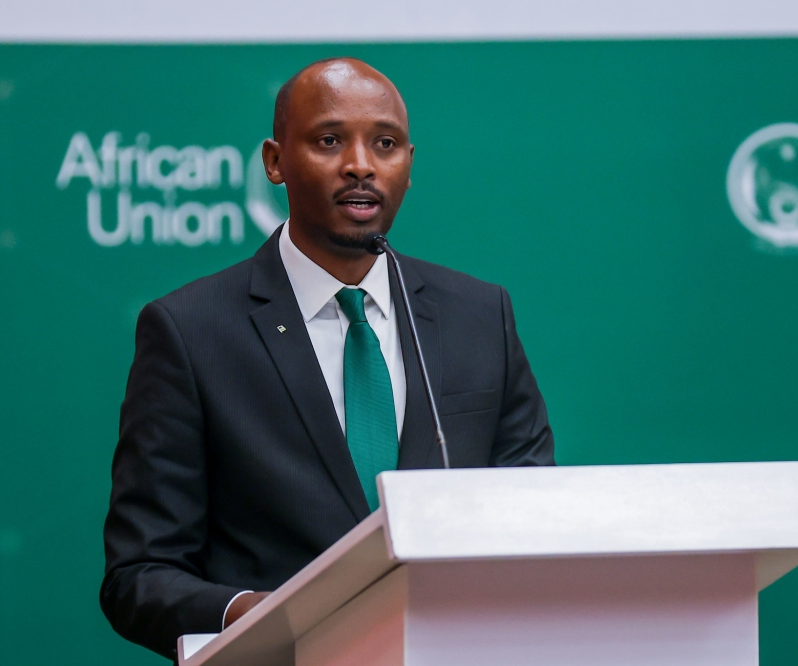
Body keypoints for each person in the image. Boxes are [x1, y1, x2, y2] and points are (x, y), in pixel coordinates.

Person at [101, 57, 554, 660]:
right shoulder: (189, 331)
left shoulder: (480, 317)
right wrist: (257, 613)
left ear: (409, 166)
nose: (360, 165)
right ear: (274, 161)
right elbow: (141, 574)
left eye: (385, 144)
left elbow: (538, 522)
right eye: (329, 140)